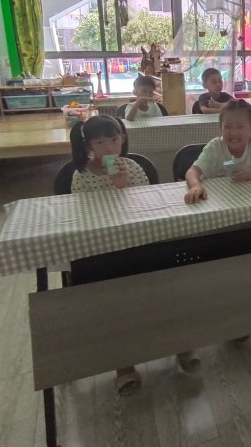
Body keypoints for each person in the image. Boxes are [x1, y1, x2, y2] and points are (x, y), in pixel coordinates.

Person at [69, 115, 199, 394]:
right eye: (99, 142)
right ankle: (124, 364)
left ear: (123, 139)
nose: (108, 147)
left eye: (114, 139)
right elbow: (82, 216)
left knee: (167, 292)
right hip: (105, 251)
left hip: (142, 243)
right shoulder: (81, 176)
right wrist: (113, 189)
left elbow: (150, 205)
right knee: (118, 306)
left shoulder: (134, 167)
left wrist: (125, 184)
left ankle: (181, 345)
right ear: (88, 145)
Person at [184, 99, 251, 341]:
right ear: (220, 128)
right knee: (228, 273)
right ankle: (236, 318)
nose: (233, 133)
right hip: (220, 224)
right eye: (228, 127)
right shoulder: (215, 147)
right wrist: (195, 186)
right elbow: (192, 171)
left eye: (240, 127)